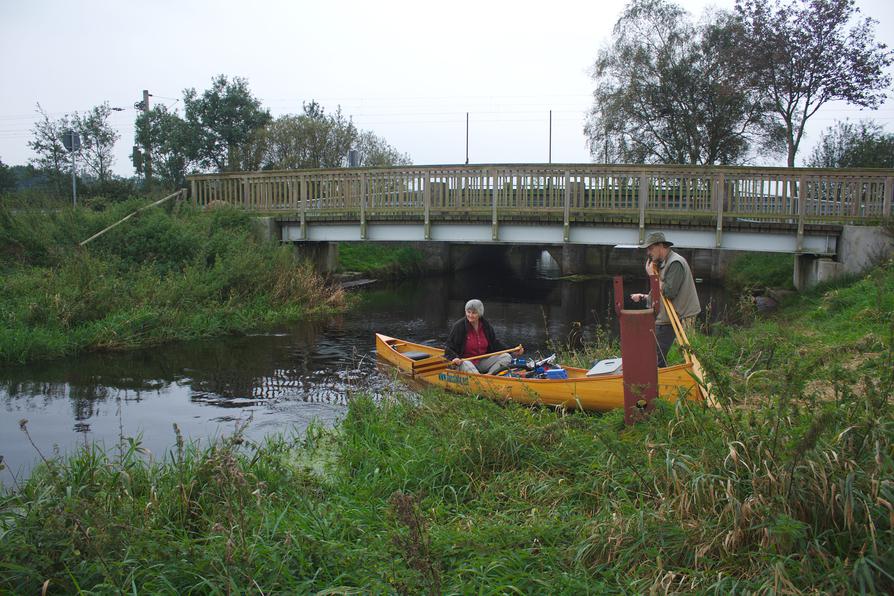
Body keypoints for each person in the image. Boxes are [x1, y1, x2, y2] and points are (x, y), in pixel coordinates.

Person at [629, 232, 701, 367]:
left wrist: (652, 276)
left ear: (661, 246)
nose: (648, 253)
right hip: (667, 316)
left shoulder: (675, 263)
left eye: (650, 249)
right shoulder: (664, 262)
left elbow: (669, 292)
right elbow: (661, 291)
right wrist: (645, 297)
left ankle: (659, 381)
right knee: (654, 352)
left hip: (676, 317)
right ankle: (659, 379)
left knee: (655, 355)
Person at [444, 299, 524, 374]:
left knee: (506, 357)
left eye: (474, 313)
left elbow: (495, 344)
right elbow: (448, 348)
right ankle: (480, 381)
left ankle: (489, 377)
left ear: (479, 313)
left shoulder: (485, 325)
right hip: (464, 362)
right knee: (466, 363)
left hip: (481, 362)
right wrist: (454, 358)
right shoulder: (459, 326)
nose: (470, 315)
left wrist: (512, 350)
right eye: (468, 312)